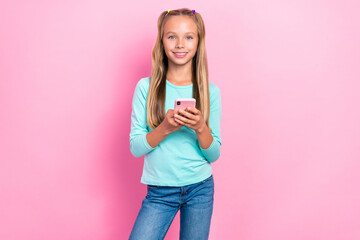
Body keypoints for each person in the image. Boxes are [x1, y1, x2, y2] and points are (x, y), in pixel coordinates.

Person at [128, 8, 222, 240]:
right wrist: (164, 128)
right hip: (159, 192)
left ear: (198, 43)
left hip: (200, 189)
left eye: (189, 37)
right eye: (172, 36)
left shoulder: (209, 92)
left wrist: (201, 127)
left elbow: (214, 154)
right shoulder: (145, 88)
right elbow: (136, 147)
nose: (180, 44)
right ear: (161, 41)